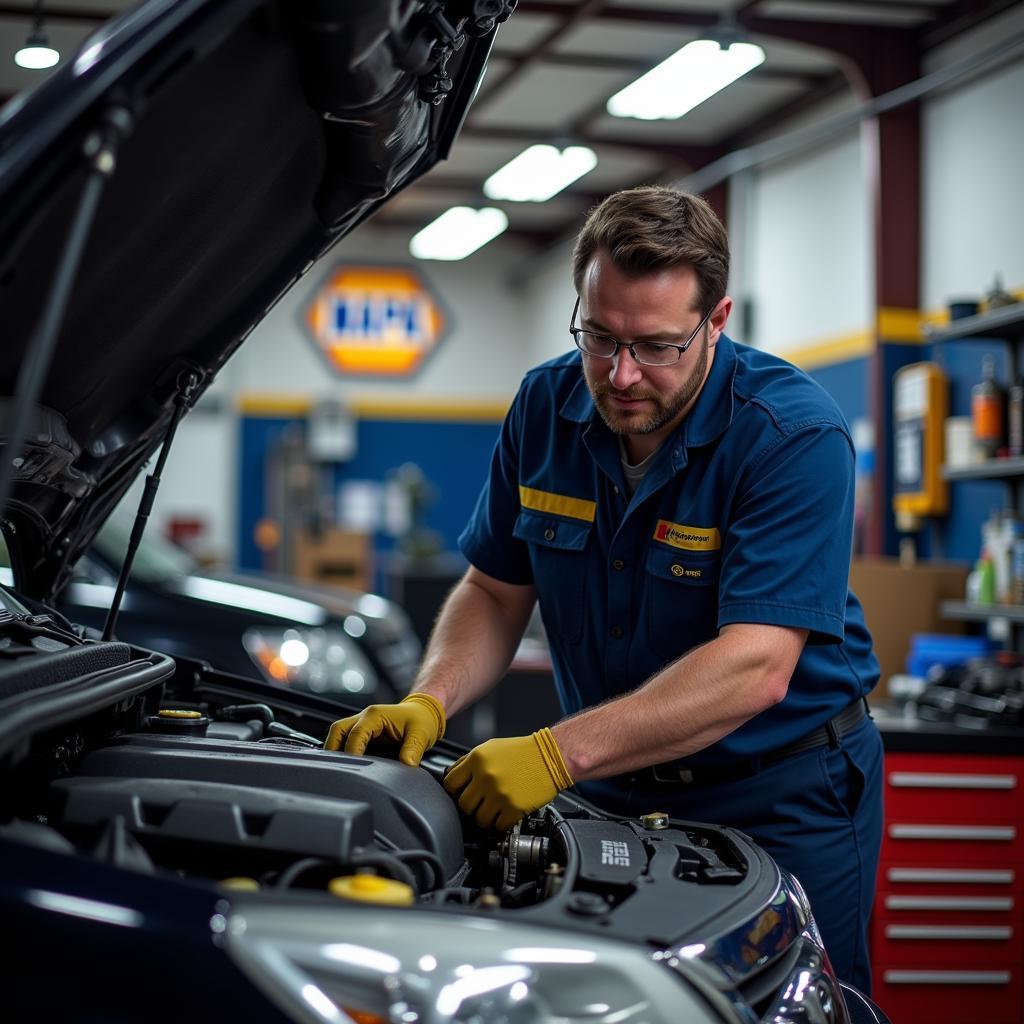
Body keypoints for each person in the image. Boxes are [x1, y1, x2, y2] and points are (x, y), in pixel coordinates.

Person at [325, 186, 883, 994]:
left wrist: (557, 752)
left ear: (716, 320)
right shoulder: (545, 407)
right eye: (600, 337)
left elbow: (756, 665)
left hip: (783, 795)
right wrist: (430, 700)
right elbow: (493, 590)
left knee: (792, 1005)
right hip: (614, 787)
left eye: (656, 346)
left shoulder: (794, 436)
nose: (621, 375)